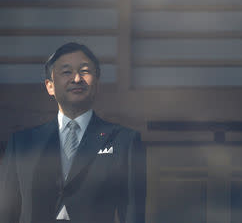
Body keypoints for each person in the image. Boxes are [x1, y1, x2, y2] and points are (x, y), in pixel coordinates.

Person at [0, 42, 146, 223]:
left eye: (85, 71)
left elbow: (133, 215)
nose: (77, 78)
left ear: (97, 83)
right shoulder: (21, 144)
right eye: (66, 72)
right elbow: (6, 214)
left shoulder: (124, 141)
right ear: (50, 86)